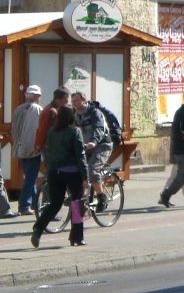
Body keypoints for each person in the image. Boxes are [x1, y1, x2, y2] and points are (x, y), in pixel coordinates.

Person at [31, 104, 88, 247]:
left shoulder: (51, 132)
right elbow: (80, 155)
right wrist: (85, 177)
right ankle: (77, 237)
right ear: (71, 117)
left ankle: (38, 229)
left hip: (54, 172)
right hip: (72, 171)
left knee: (55, 204)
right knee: (77, 202)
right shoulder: (75, 131)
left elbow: (48, 151)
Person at [71, 91, 112, 210]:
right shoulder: (75, 114)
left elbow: (99, 128)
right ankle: (81, 197)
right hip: (86, 146)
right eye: (72, 101)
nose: (74, 103)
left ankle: (101, 197)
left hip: (102, 145)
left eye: (76, 100)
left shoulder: (94, 112)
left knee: (92, 170)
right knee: (76, 169)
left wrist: (94, 142)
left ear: (84, 100)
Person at [11, 84, 44, 215]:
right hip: (32, 148)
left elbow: (14, 130)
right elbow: (40, 129)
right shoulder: (38, 109)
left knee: (30, 177)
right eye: (39, 96)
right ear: (36, 96)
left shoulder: (18, 109)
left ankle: (35, 204)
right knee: (30, 178)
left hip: (19, 148)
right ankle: (24, 205)